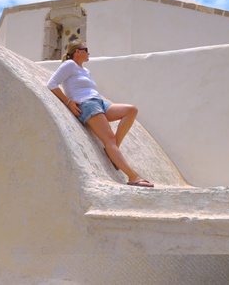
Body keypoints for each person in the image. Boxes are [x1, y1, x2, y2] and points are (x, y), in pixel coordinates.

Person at [47, 40, 154, 188]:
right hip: (87, 104)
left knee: (131, 110)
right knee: (108, 138)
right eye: (86, 49)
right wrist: (68, 102)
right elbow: (52, 84)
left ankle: (113, 148)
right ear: (77, 51)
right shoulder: (69, 65)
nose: (89, 53)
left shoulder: (86, 71)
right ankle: (132, 177)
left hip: (99, 103)